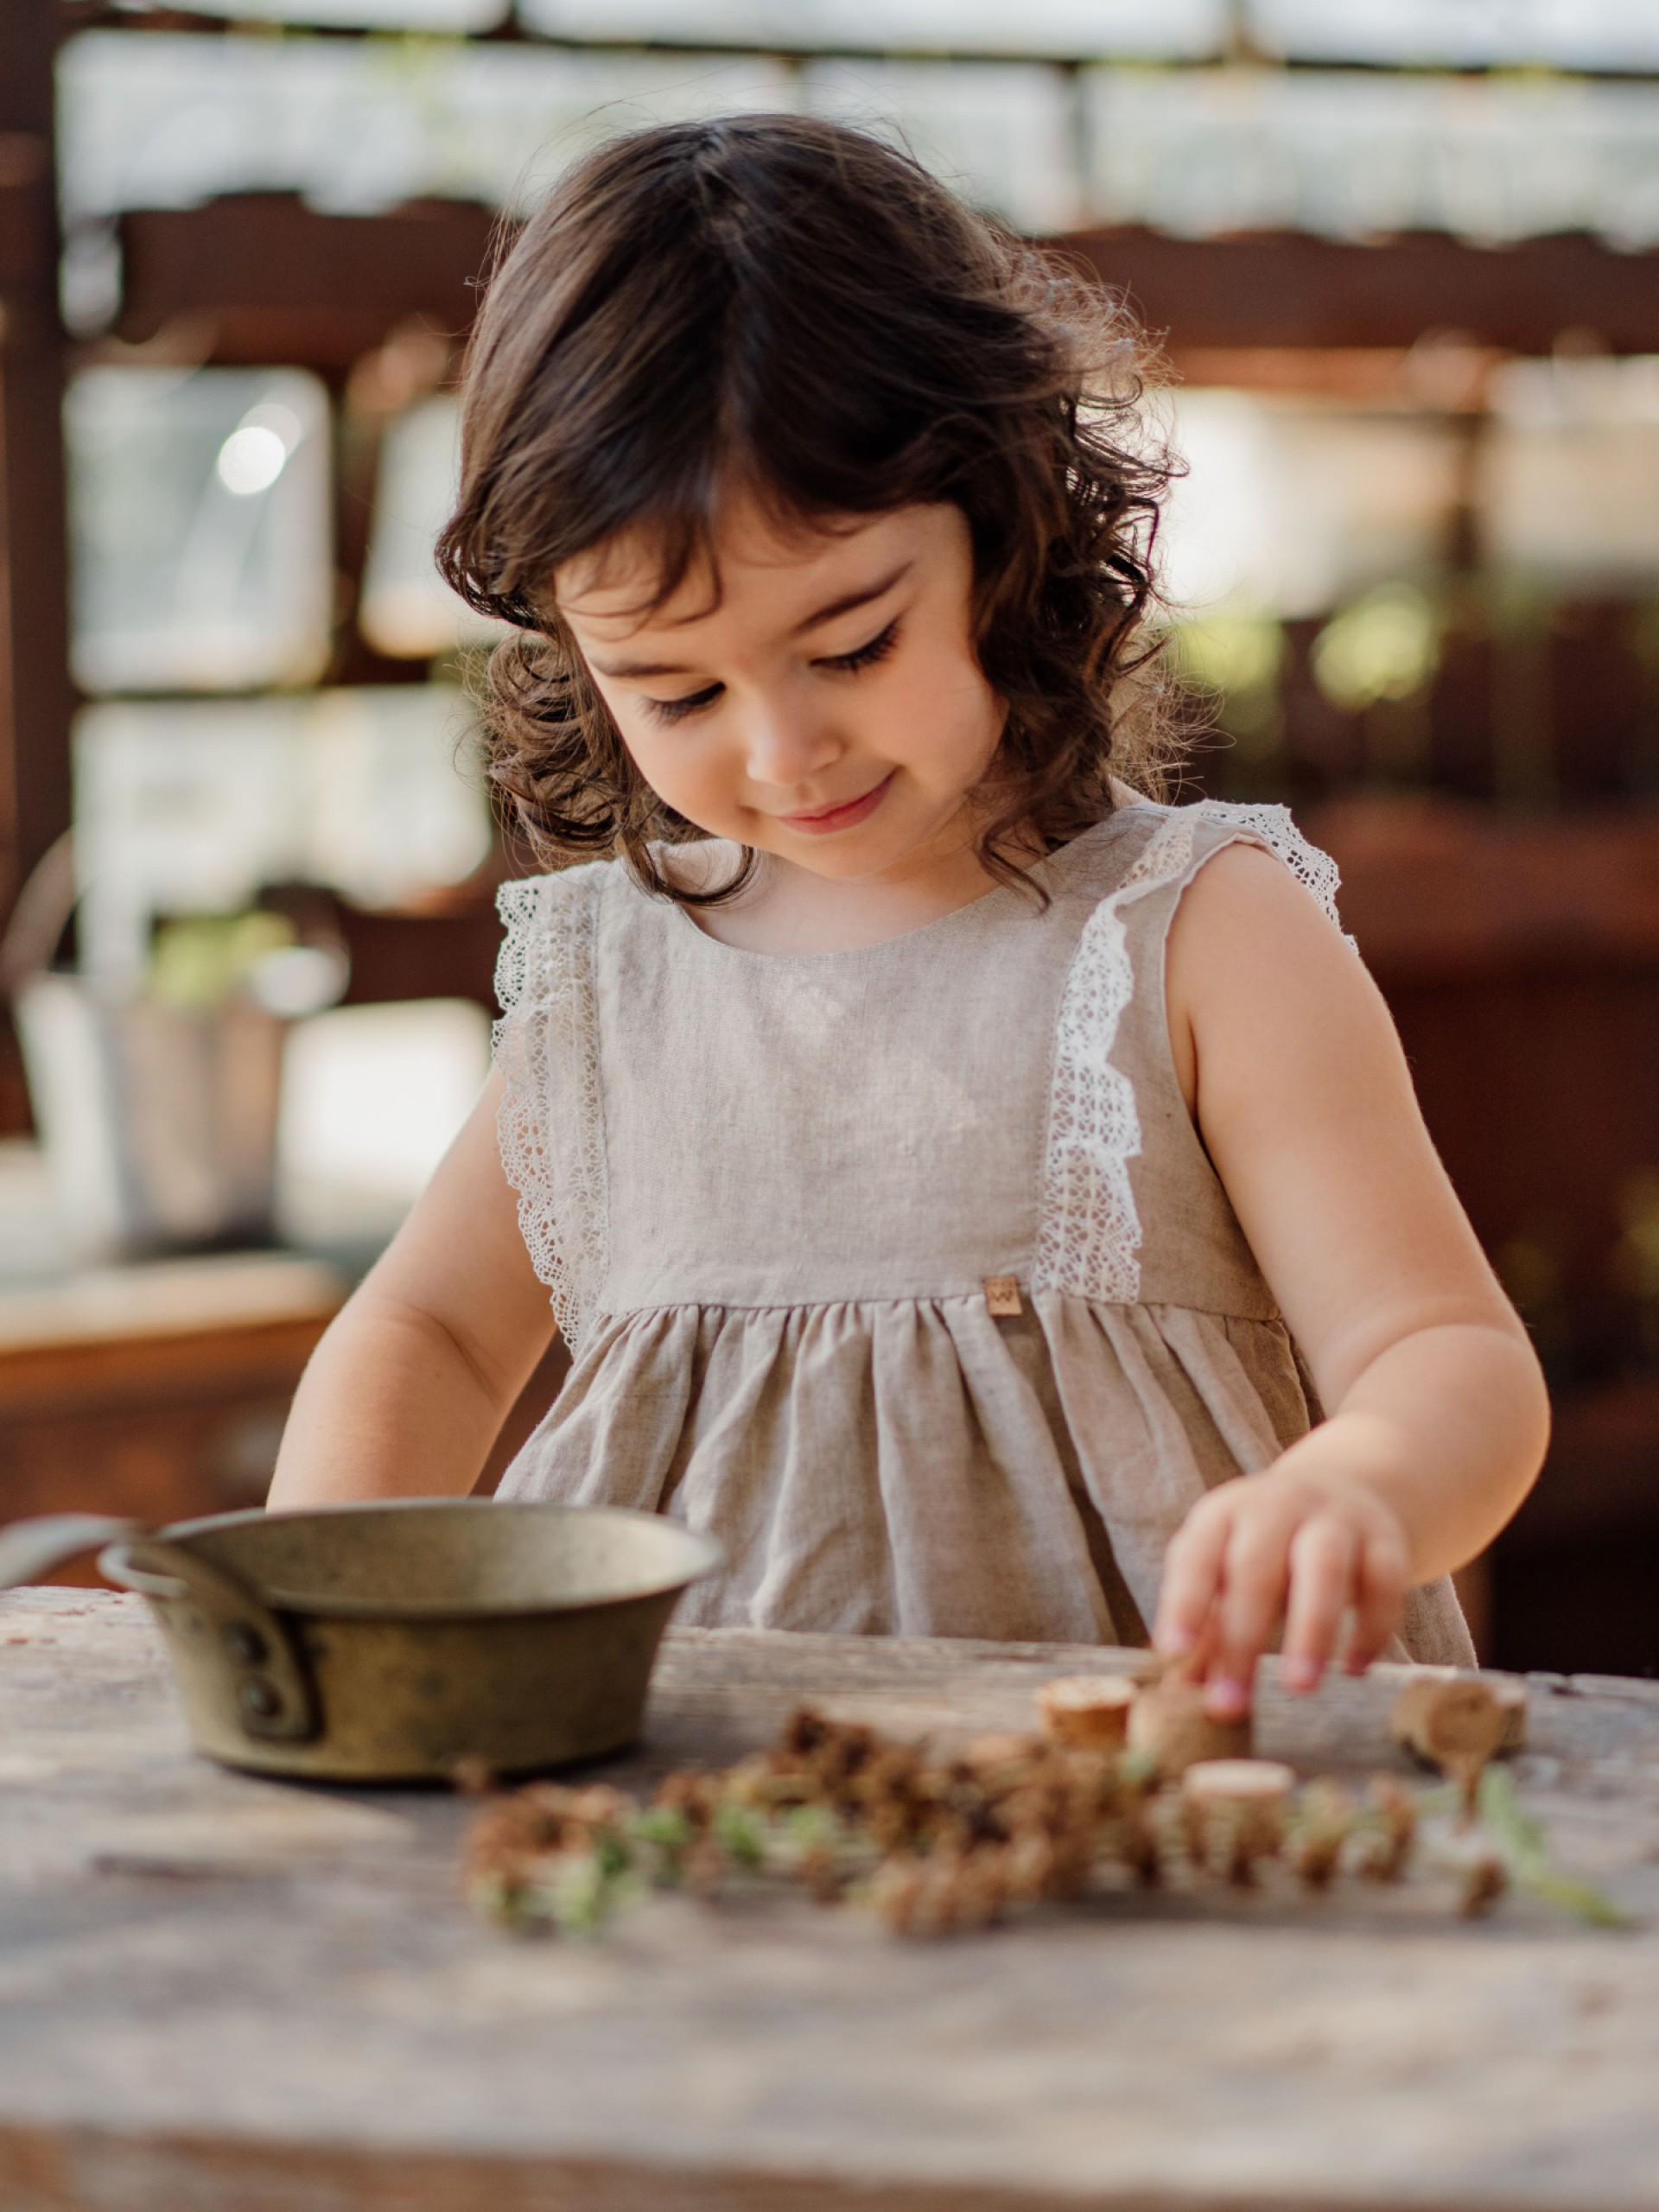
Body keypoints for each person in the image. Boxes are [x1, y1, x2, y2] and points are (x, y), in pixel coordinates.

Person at [269, 116, 1548, 1719]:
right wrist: (313, 1605)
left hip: (1140, 1811)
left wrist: (1360, 1487)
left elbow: (1448, 1356)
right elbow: (438, 1333)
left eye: (855, 645)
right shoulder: (612, 984)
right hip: (696, 1808)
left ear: (1003, 538)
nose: (781, 749)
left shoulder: (1193, 931)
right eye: (675, 689)